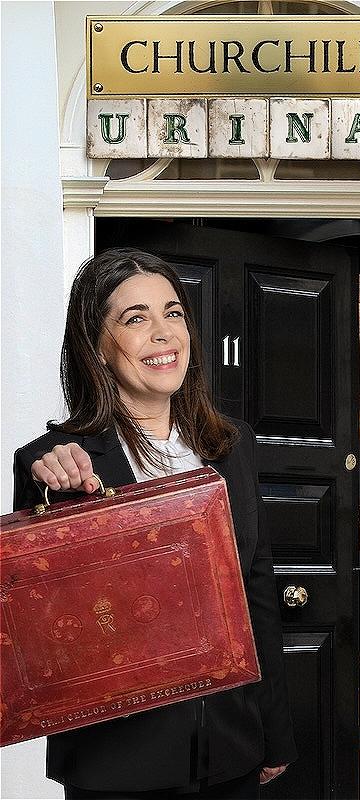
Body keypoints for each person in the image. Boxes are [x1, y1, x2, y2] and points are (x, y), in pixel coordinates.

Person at [12, 248, 298, 800]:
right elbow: (48, 631)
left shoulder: (232, 447)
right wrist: (49, 493)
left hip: (230, 754)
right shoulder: (54, 464)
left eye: (173, 313)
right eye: (135, 318)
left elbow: (255, 593)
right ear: (96, 346)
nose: (164, 333)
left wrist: (275, 734)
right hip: (117, 766)